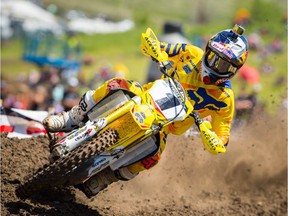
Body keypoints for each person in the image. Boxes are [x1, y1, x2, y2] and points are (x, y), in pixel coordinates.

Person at [42, 24, 249, 197]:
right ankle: (72, 117)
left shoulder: (224, 99)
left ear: (234, 70)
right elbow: (159, 46)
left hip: (166, 125)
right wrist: (154, 50)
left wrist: (213, 139)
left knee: (152, 158)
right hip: (146, 96)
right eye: (214, 57)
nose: (216, 66)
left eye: (224, 65)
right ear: (207, 49)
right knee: (117, 83)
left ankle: (106, 177)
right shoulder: (190, 52)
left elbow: (223, 136)